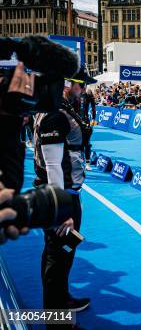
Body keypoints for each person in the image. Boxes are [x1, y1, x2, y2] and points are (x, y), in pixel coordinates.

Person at [33, 71, 94, 313]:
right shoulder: (55, 114)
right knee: (56, 257)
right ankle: (57, 321)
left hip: (67, 192)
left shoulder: (60, 108)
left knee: (61, 254)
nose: (84, 90)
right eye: (81, 85)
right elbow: (52, 165)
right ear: (66, 84)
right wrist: (61, 209)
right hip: (60, 196)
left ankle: (61, 299)